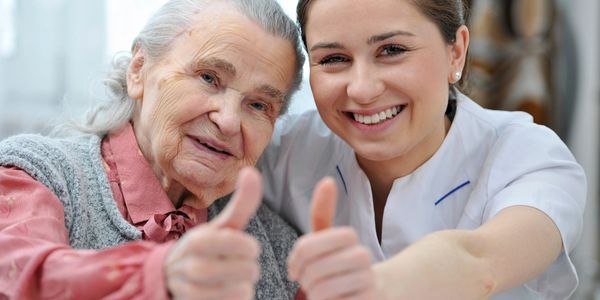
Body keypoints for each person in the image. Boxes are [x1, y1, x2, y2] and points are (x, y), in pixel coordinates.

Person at [258, 0, 586, 299]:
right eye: (334, 58)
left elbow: (480, 261)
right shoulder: (282, 151)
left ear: (456, 51)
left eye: (392, 50)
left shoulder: (529, 158)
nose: (362, 89)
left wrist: (372, 288)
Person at [0, 0, 305, 299]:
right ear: (138, 69)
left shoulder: (280, 250)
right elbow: (20, 278)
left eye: (258, 105)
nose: (228, 121)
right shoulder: (37, 175)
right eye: (209, 78)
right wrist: (160, 276)